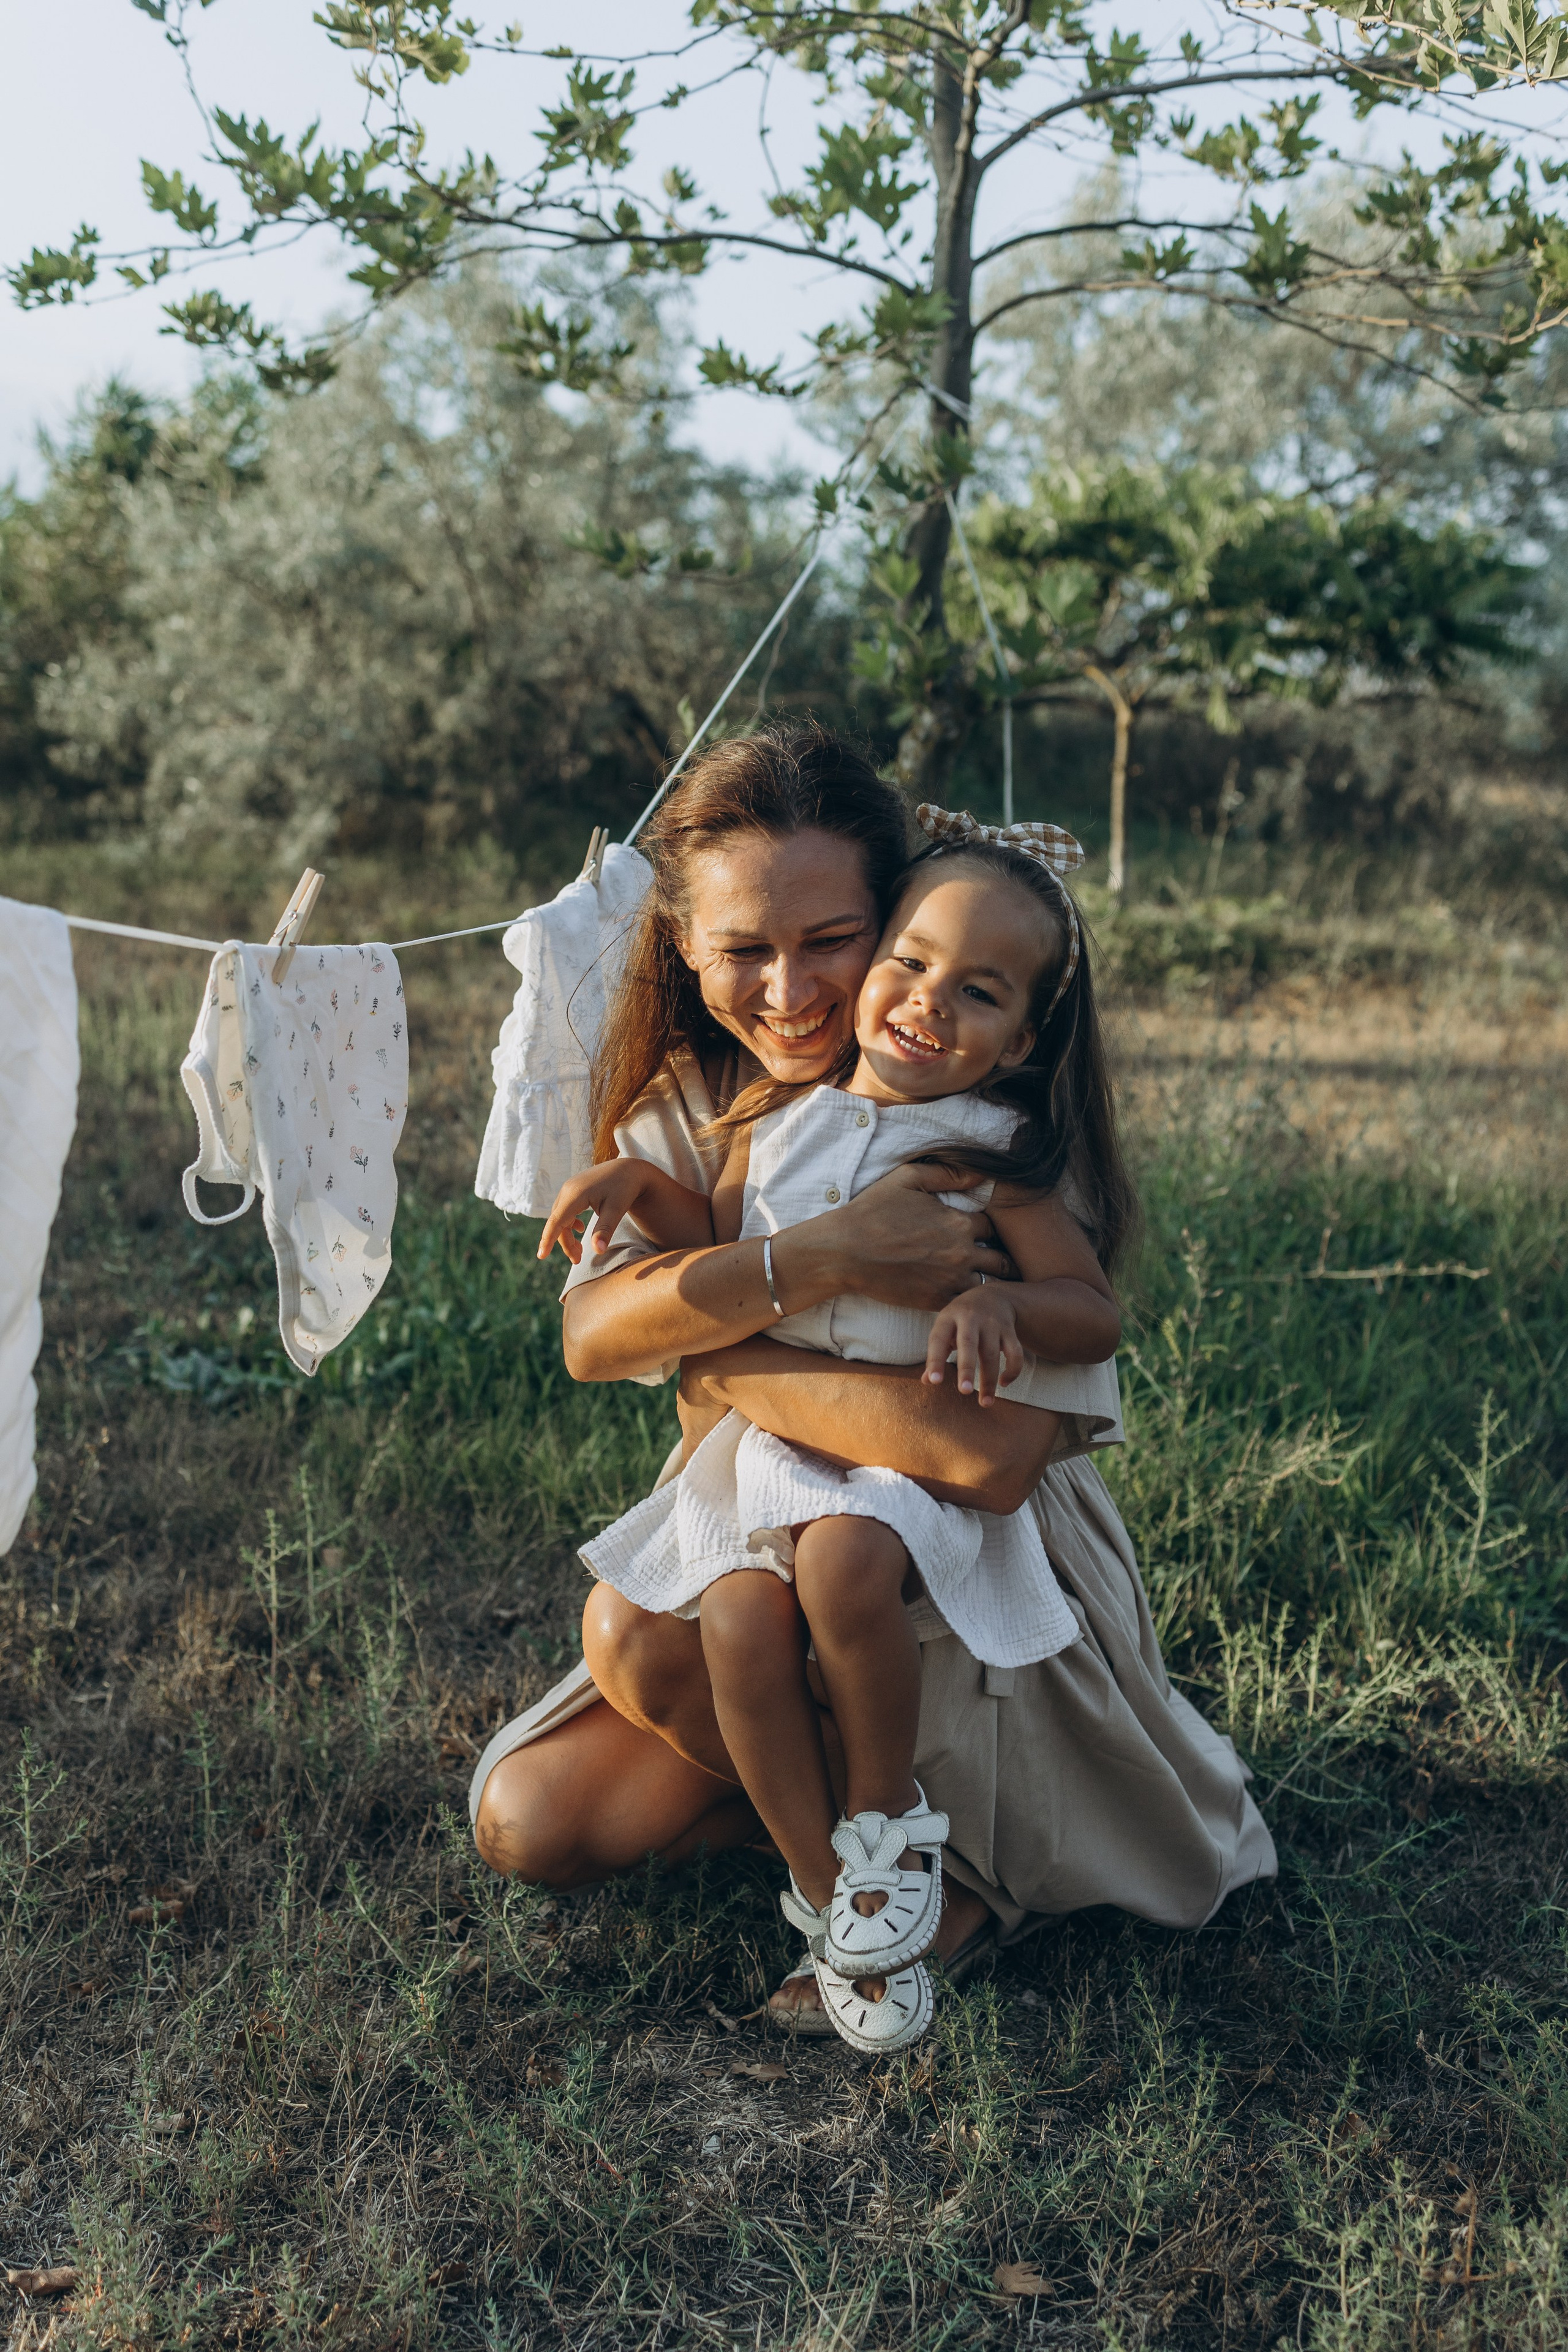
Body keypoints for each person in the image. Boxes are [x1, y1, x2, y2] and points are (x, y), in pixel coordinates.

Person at [470, 722, 1276, 2029]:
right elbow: (591, 1334)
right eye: (742, 947)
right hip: (778, 1485)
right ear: (680, 944)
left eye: (829, 938)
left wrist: (711, 1341)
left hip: (952, 1552)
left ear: (893, 909)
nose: (788, 990)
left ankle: (942, 1873)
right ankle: (833, 1840)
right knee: (534, 1813)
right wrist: (821, 1256)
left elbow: (985, 1458)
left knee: (818, 1574)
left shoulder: (977, 1126)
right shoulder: (702, 1103)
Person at [537, 807, 1127, 2049]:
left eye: (972, 991)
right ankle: (835, 1891)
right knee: (739, 1615)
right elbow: (702, 1247)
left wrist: (994, 1297)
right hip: (780, 1454)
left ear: (1022, 1037)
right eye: (909, 965)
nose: (920, 1003)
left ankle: (886, 1814)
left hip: (897, 1468)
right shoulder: (762, 1117)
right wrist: (630, 1185)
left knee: (845, 1560)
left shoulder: (993, 1157)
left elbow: (1088, 1313)